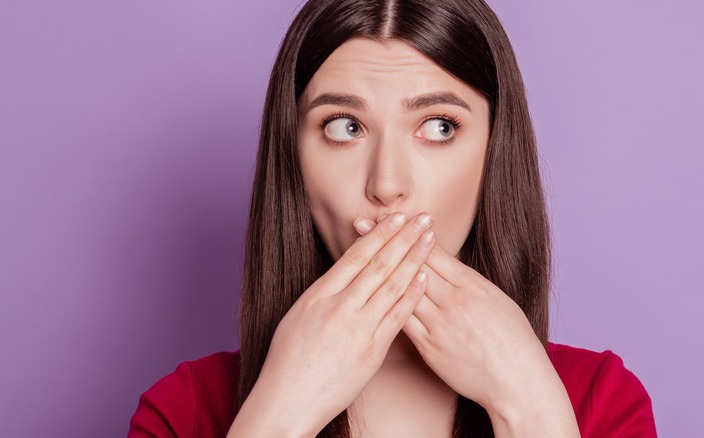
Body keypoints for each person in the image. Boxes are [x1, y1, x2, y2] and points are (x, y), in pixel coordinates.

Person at [129, 0, 656, 436]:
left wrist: (527, 404)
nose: (386, 185)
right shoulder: (185, 411)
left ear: (495, 156)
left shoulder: (599, 402)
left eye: (439, 127)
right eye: (344, 127)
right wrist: (279, 414)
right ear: (292, 159)